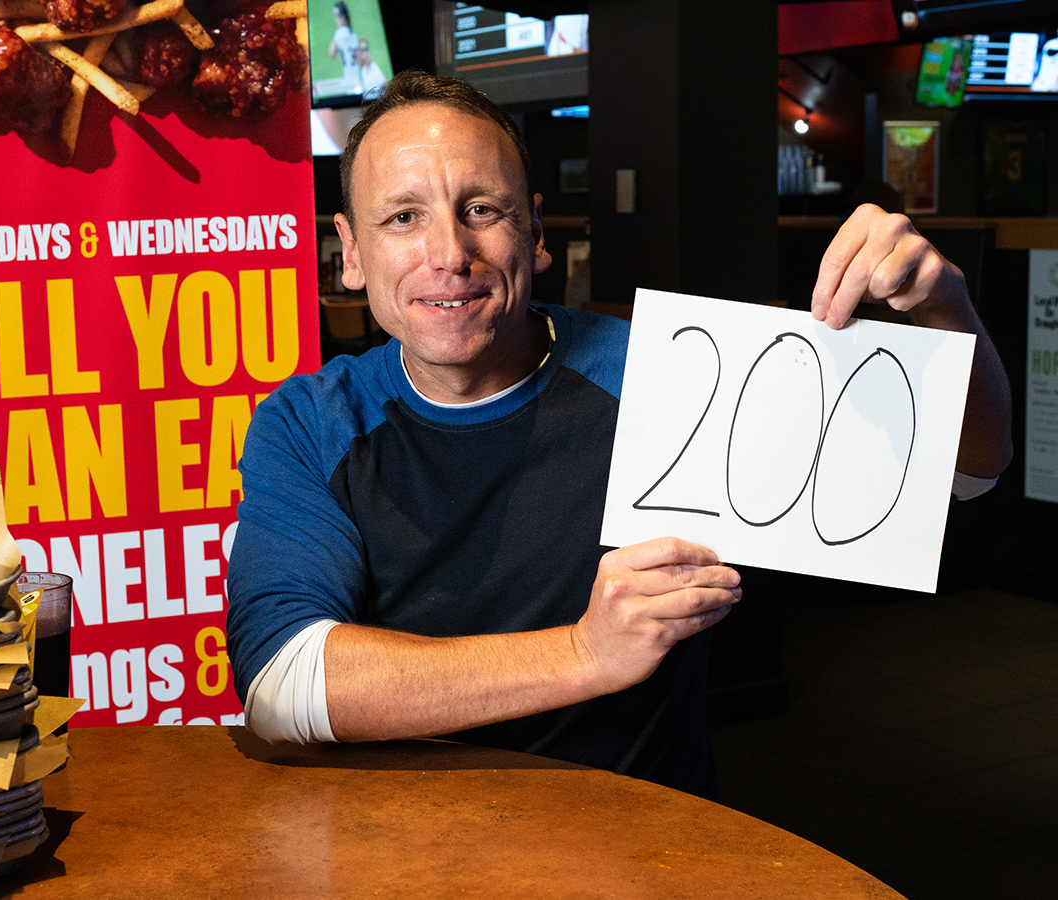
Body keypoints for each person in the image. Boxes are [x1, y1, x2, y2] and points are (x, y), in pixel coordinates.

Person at [225, 70, 1013, 797]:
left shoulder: (668, 377)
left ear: (533, 233)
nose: (449, 256)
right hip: (402, 848)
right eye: (404, 217)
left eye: (481, 210)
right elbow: (283, 683)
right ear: (351, 253)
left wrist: (948, 307)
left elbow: (970, 469)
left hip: (642, 845)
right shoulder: (309, 422)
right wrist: (582, 653)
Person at [327, 2, 360, 88]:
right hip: (358, 79)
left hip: (349, 81)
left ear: (342, 17)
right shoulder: (353, 35)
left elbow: (331, 54)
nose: (335, 19)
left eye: (336, 16)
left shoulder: (339, 34)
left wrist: (337, 31)